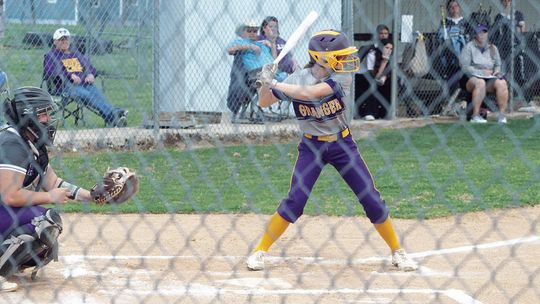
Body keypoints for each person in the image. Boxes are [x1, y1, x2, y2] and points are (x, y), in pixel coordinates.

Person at [248, 30, 418, 272]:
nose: (345, 59)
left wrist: (277, 83)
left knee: (371, 198)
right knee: (295, 200)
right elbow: (264, 101)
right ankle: (260, 251)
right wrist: (266, 81)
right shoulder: (297, 78)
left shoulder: (342, 77)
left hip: (342, 145)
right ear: (321, 57)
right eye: (338, 55)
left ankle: (397, 251)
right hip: (311, 147)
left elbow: (310, 93)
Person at [0, 84, 94, 288]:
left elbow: (53, 182)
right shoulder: (12, 144)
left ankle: (9, 262)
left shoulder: (30, 142)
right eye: (42, 114)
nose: (48, 119)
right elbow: (10, 196)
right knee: (43, 220)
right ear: (28, 115)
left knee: (45, 238)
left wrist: (92, 196)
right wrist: (50, 197)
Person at [43, 28, 127, 127]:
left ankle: (112, 117)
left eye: (66, 39)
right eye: (61, 39)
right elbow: (50, 72)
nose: (64, 41)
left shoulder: (75, 54)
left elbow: (90, 67)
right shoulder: (51, 55)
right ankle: (113, 115)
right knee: (87, 95)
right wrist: (69, 75)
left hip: (85, 84)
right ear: (55, 42)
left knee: (97, 93)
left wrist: (91, 74)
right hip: (65, 87)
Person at [226, 20, 286, 122]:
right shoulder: (239, 42)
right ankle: (256, 107)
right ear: (242, 32)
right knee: (265, 75)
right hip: (252, 74)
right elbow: (230, 50)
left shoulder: (261, 44)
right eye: (249, 31)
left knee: (283, 75)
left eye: (255, 31)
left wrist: (272, 45)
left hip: (270, 71)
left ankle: (262, 106)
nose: (253, 33)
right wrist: (249, 46)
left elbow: (274, 60)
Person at [459, 24, 508, 124]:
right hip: (471, 77)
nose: (482, 35)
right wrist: (480, 72)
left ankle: (502, 116)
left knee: (502, 83)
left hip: (489, 77)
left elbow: (498, 64)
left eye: (484, 32)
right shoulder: (468, 47)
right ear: (475, 34)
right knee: (480, 83)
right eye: (479, 32)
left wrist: (496, 71)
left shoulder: (493, 48)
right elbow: (465, 67)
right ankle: (475, 116)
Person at [355, 38, 393, 120]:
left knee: (390, 85)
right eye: (386, 48)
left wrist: (384, 77)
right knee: (372, 84)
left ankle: (385, 113)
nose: (388, 51)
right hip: (361, 76)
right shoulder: (372, 54)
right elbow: (373, 75)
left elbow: (387, 73)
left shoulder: (389, 57)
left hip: (375, 77)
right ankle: (369, 113)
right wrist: (384, 62)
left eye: (391, 49)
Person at [436, 0, 472, 84]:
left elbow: (469, 37)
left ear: (459, 8)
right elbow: (440, 36)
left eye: (456, 6)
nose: (454, 8)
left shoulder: (465, 22)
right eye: (451, 7)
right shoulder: (445, 22)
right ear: (448, 9)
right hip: (449, 55)